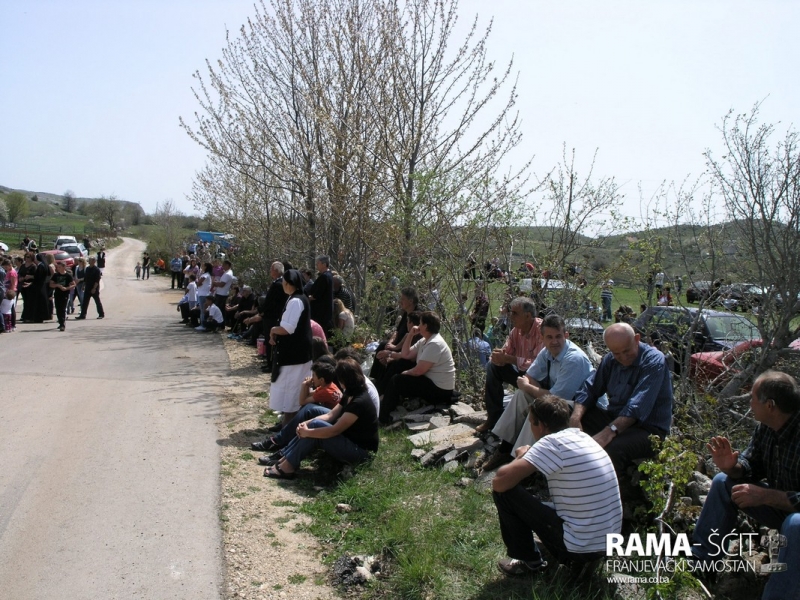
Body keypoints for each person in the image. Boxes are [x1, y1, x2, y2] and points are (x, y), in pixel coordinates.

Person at [691, 371, 800, 600]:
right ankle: (700, 563)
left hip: (795, 518)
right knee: (723, 482)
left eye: (753, 398)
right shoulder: (767, 427)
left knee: (795, 523)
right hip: (781, 509)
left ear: (770, 406)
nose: (749, 403)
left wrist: (765, 496)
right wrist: (732, 467)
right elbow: (752, 465)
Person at [492, 394, 622, 576]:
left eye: (531, 423)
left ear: (541, 425)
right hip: (606, 543)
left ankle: (529, 562)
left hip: (579, 550)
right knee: (536, 500)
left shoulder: (550, 443)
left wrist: (521, 457)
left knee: (505, 494)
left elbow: (499, 482)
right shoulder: (583, 438)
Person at [481, 314, 596, 471]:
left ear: (566, 335)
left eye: (558, 336)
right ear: (542, 338)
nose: (554, 341)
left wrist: (530, 388)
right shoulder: (547, 352)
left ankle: (522, 463)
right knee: (522, 395)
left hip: (585, 409)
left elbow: (555, 397)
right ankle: (505, 448)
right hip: (563, 401)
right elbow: (529, 376)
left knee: (540, 406)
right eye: (549, 337)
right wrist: (530, 388)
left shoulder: (573, 358)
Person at [569, 322, 673, 474]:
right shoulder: (610, 360)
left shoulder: (653, 360)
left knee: (610, 449)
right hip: (614, 418)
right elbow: (590, 388)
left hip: (647, 429)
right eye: (617, 353)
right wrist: (575, 417)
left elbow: (637, 406)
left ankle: (603, 487)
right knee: (560, 411)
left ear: (637, 339)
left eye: (626, 351)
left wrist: (608, 433)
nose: (623, 357)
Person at [263, 358, 378, 479]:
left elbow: (335, 430)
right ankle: (286, 458)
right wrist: (306, 424)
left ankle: (288, 466)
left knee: (315, 428)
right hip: (349, 440)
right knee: (313, 421)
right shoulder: (350, 393)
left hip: (361, 452)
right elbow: (330, 415)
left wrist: (308, 432)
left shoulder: (359, 402)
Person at [476, 297, 544, 434]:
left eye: (515, 313)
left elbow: (538, 365)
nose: (511, 316)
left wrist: (509, 359)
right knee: (493, 367)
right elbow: (506, 352)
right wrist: (498, 357)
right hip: (522, 374)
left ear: (528, 316)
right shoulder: (516, 331)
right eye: (511, 312)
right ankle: (493, 417)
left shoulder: (541, 330)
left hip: (539, 379)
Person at [380, 311, 456, 423]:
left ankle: (384, 416)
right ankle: (383, 396)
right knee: (401, 363)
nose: (418, 326)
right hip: (431, 382)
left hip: (440, 390)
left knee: (397, 380)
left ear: (425, 325)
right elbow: (405, 354)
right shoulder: (425, 340)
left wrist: (405, 373)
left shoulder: (435, 343)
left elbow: (418, 371)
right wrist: (410, 335)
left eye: (420, 323)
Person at [268, 269, 313, 428]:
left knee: (291, 389)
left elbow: (288, 328)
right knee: (292, 388)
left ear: (288, 283)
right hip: (298, 353)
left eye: (283, 282)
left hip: (295, 354)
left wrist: (273, 330)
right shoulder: (297, 298)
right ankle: (288, 422)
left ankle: (288, 425)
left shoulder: (296, 301)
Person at [370, 287, 420, 394]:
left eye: (402, 299)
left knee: (395, 363)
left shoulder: (417, 316)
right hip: (398, 345)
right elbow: (397, 331)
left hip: (408, 349)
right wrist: (390, 343)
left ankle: (382, 390)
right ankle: (375, 378)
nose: (400, 301)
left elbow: (410, 335)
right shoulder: (406, 313)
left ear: (411, 301)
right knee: (383, 345)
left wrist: (394, 348)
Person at [307, 255, 334, 338]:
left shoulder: (324, 277)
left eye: (318, 263)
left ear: (324, 264)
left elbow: (317, 295)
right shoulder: (328, 275)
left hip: (320, 312)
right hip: (325, 312)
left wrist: (307, 298)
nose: (317, 265)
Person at [49, 261, 75, 331]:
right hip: (57, 293)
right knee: (58, 309)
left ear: (64, 267)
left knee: (63, 308)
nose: (58, 268)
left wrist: (66, 288)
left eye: (59, 267)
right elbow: (51, 284)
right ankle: (60, 322)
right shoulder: (56, 275)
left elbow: (73, 284)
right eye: (57, 267)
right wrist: (57, 285)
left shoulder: (68, 275)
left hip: (65, 294)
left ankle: (62, 324)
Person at [196, 262, 213, 328]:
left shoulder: (205, 275)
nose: (202, 267)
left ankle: (202, 325)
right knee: (204, 310)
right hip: (205, 293)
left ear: (206, 267)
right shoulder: (208, 275)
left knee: (202, 311)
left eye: (203, 266)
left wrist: (198, 283)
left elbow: (199, 283)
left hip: (203, 294)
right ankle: (203, 325)